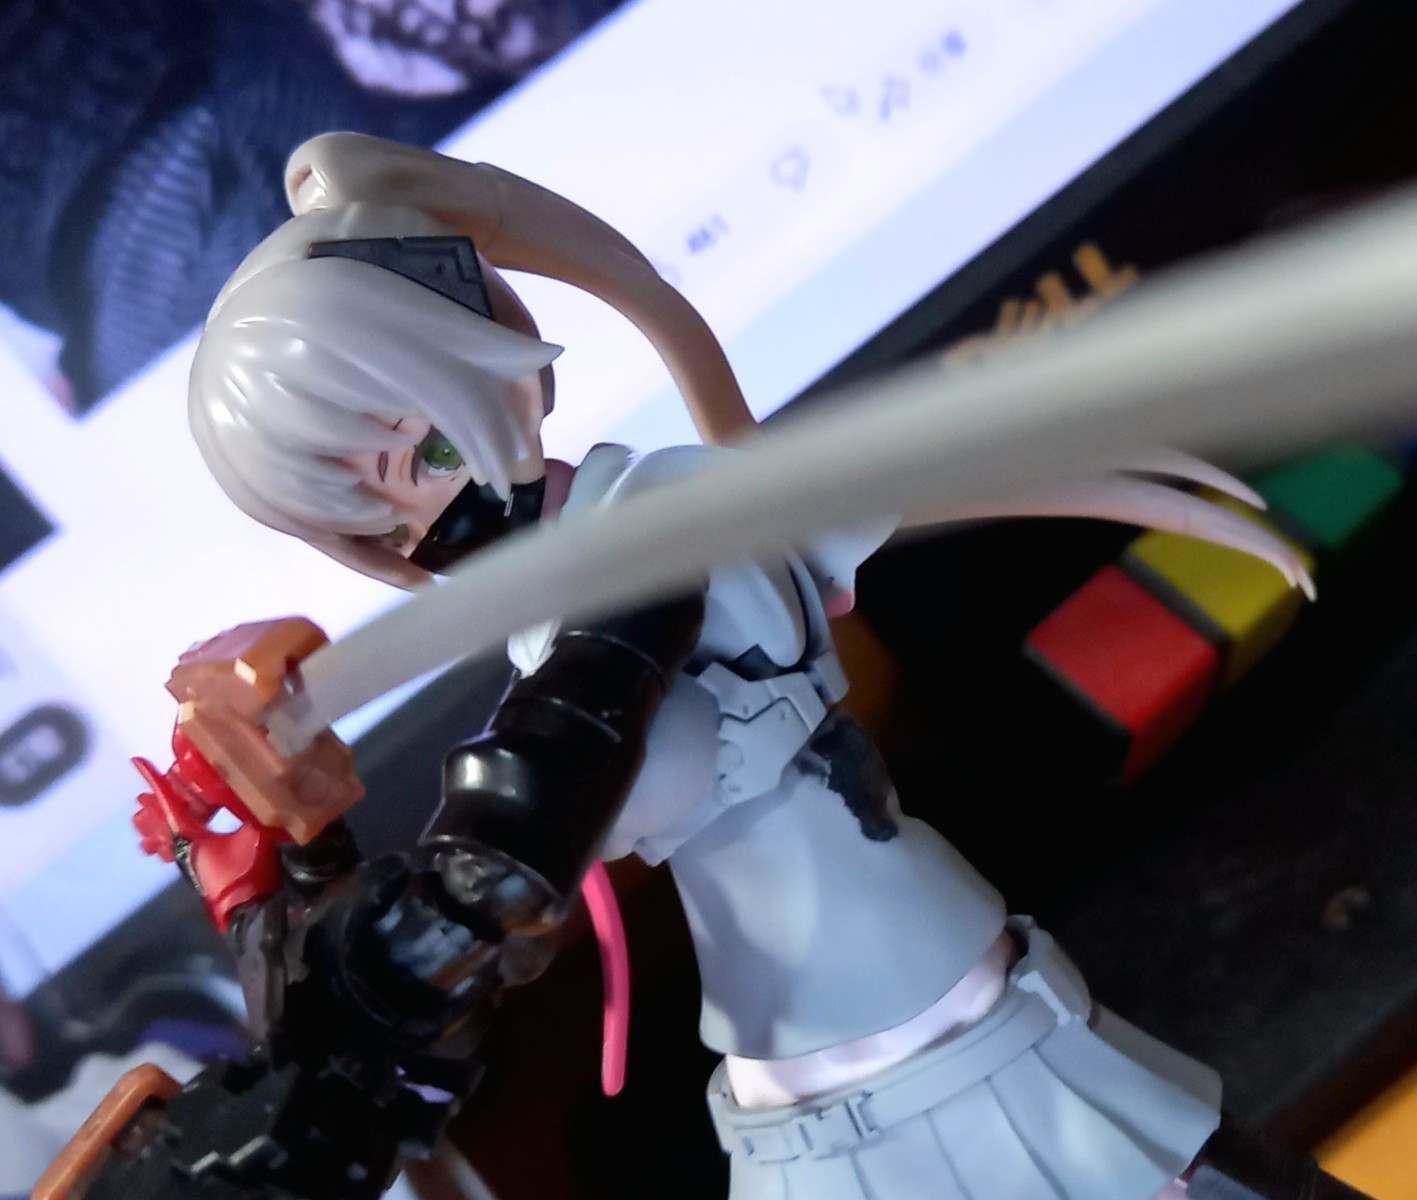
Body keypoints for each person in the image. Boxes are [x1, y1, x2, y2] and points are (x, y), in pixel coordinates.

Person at [184, 132, 1356, 1200]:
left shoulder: (658, 531)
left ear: (482, 355)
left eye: (422, 449)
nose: (420, 514)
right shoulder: (552, 612)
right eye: (370, 510)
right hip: (796, 1090)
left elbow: (532, 812)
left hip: (938, 1030)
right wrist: (299, 853)